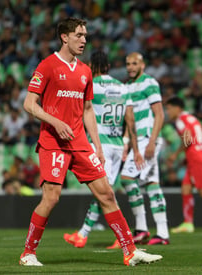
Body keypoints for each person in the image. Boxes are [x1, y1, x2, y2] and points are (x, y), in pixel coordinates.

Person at [19, 17, 162, 267]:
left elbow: (87, 110)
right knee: (51, 198)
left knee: (107, 193)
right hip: (53, 142)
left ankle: (130, 251)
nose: (84, 40)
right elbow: (29, 104)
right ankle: (28, 253)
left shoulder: (85, 71)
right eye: (79, 35)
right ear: (64, 37)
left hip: (80, 143)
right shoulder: (47, 65)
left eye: (85, 35)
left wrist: (96, 145)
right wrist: (56, 122)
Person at [63, 50, 143, 248]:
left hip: (99, 146)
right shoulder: (123, 88)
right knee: (106, 192)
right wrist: (132, 147)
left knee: (103, 193)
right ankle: (89, 233)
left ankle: (95, 235)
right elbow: (130, 120)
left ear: (91, 67)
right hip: (117, 145)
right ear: (108, 67)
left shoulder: (92, 85)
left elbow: (79, 111)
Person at [107, 52, 169, 248]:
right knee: (151, 183)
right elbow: (128, 121)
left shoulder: (149, 83)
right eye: (128, 64)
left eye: (134, 63)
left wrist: (152, 141)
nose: (130, 67)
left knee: (127, 178)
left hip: (147, 140)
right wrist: (126, 144)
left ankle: (146, 229)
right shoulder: (126, 86)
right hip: (136, 142)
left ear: (142, 65)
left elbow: (159, 114)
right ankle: (158, 232)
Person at [165, 96, 202, 233]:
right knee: (186, 188)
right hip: (197, 156)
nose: (167, 112)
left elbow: (187, 136)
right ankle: (188, 223)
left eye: (169, 108)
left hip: (196, 158)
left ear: (177, 108)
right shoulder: (191, 118)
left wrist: (175, 154)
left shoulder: (181, 119)